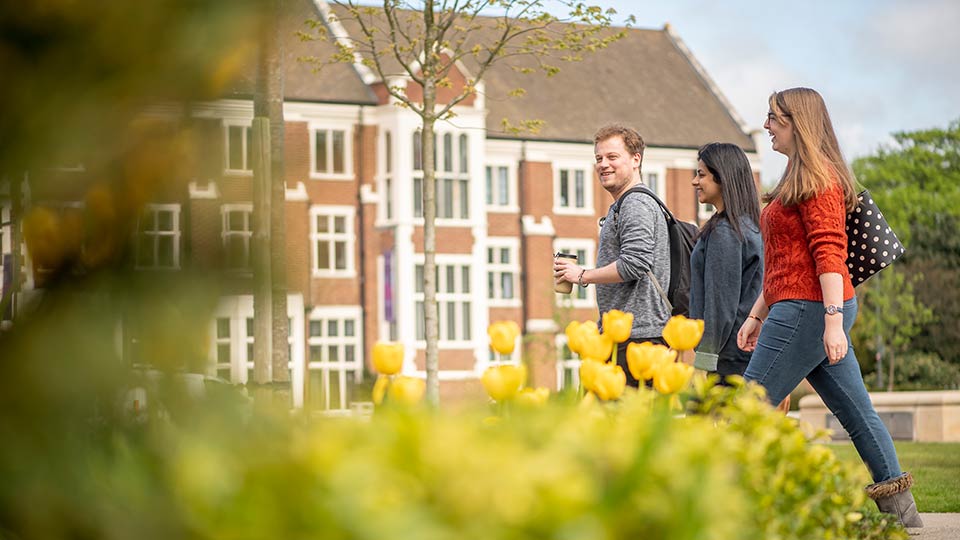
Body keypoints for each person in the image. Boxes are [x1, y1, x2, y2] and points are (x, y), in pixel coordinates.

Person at [736, 87, 922, 528]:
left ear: (797, 122)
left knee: (750, 403)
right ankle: (904, 517)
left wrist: (832, 323)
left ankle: (728, 505)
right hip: (800, 306)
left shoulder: (819, 181)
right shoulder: (793, 182)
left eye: (773, 118)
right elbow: (785, 262)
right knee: (857, 412)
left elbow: (829, 253)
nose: (766, 126)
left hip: (812, 309)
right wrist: (757, 314)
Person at [554, 123, 670, 387]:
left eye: (612, 157)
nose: (603, 164)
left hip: (639, 339)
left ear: (636, 159)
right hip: (629, 335)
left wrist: (581, 275)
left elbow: (635, 264)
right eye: (598, 158)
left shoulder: (636, 204)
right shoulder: (627, 204)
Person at [688, 142, 763, 382]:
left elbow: (719, 304)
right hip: (743, 352)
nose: (694, 182)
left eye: (701, 175)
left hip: (726, 358)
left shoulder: (726, 232)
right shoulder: (749, 226)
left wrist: (704, 359)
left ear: (722, 178)